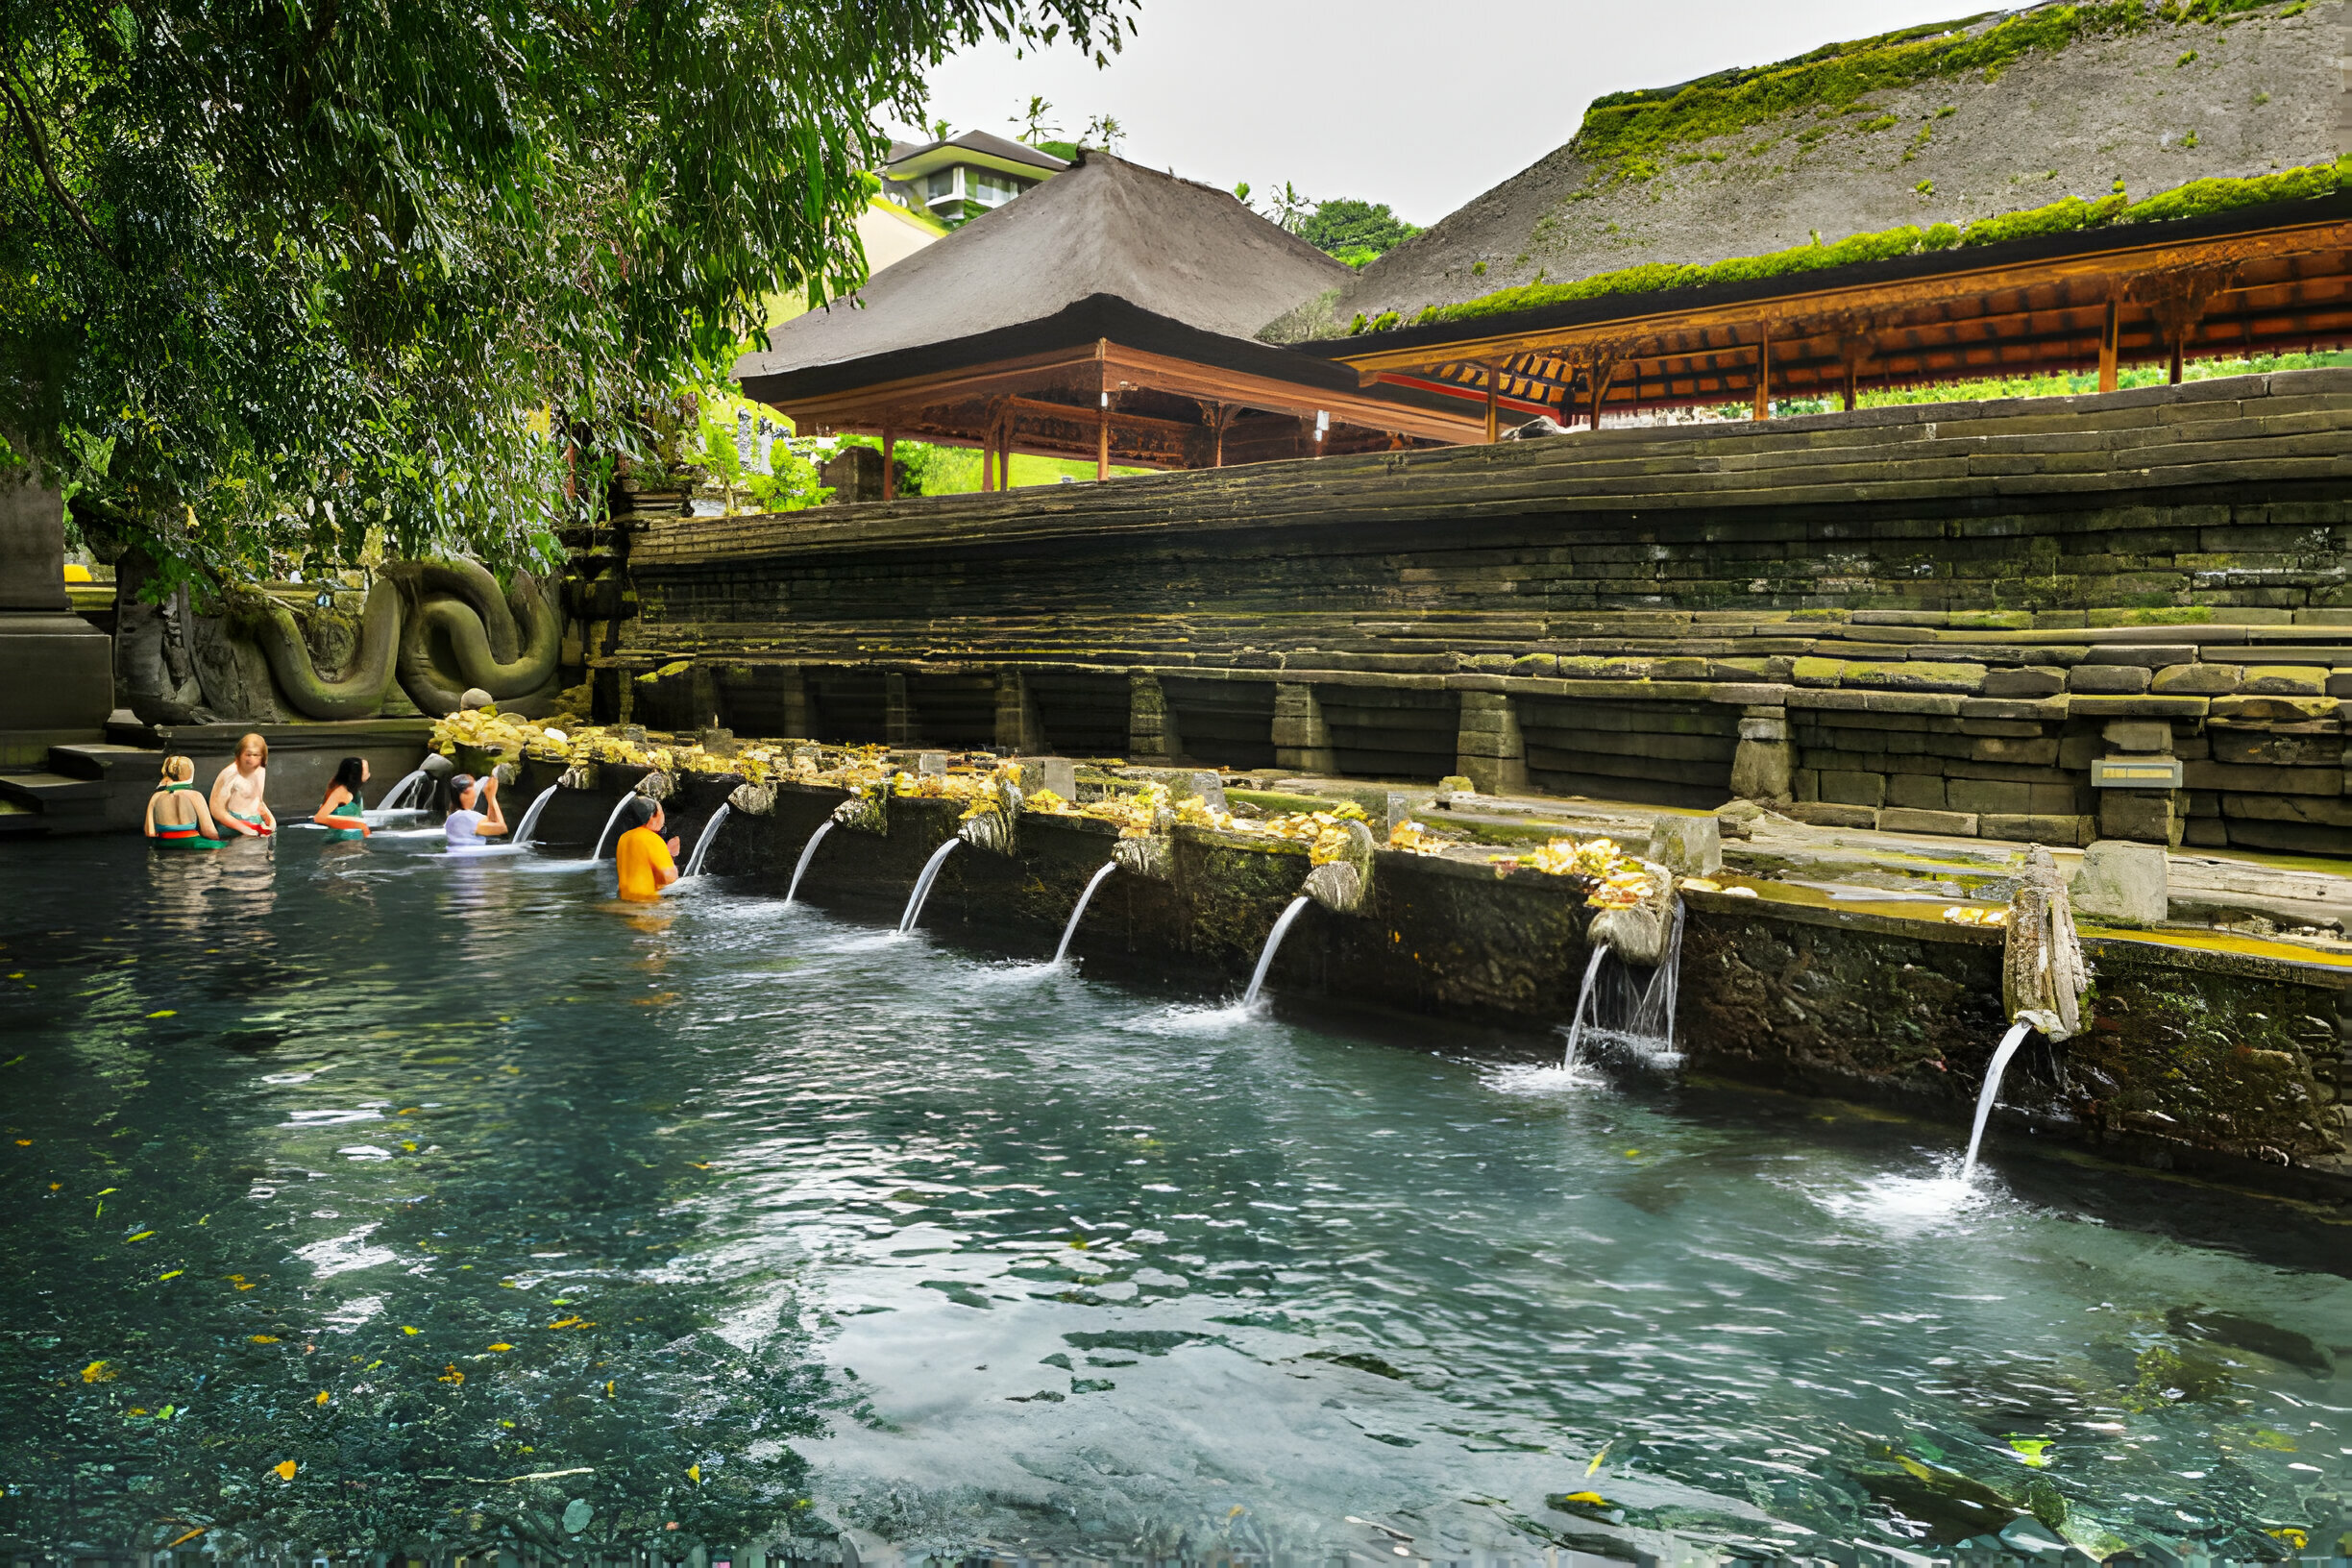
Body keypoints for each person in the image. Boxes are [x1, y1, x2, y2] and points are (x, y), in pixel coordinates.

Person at [146, 756, 227, 849]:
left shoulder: (155, 797)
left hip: (163, 845)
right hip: (192, 844)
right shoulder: (195, 796)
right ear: (190, 773)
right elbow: (209, 832)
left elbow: (150, 832)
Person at [614, 796, 681, 902]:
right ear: (651, 817)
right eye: (661, 812)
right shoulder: (652, 839)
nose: (663, 817)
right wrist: (671, 856)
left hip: (625, 901)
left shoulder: (624, 838)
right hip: (647, 905)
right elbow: (669, 878)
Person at [209, 733, 277, 836]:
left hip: (257, 824)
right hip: (233, 828)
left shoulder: (260, 770)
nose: (252, 760)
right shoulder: (229, 774)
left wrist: (271, 821)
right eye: (248, 755)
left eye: (256, 755)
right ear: (240, 754)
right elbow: (217, 811)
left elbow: (258, 801)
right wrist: (244, 828)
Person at [444, 772, 508, 847]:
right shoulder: (466, 818)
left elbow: (492, 821)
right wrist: (492, 797)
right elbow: (502, 828)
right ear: (467, 792)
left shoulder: (452, 818)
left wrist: (489, 797)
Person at [313, 757, 372, 840]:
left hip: (353, 841)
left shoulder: (355, 791)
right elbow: (319, 818)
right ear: (354, 774)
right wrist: (357, 824)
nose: (369, 774)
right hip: (339, 844)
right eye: (366, 771)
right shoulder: (341, 792)